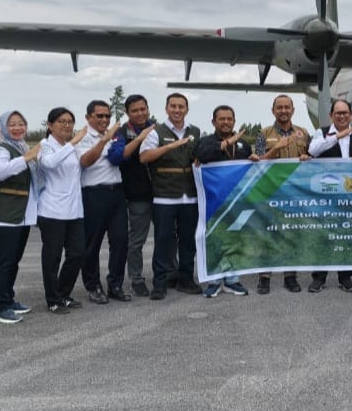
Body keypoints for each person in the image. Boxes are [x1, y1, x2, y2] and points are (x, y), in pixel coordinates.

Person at [139, 92, 202, 300]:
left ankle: (186, 279)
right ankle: (159, 283)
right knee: (163, 241)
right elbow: (144, 157)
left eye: (181, 106)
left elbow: (198, 157)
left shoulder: (195, 131)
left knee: (187, 241)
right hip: (164, 197)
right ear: (166, 109)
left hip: (189, 197)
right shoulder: (156, 132)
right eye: (173, 106)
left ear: (186, 109)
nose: (177, 110)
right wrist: (169, 146)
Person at [0, 110, 40, 324]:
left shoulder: (21, 147)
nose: (18, 128)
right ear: (3, 128)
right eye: (12, 124)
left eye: (21, 124)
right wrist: (27, 158)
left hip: (20, 216)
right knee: (3, 261)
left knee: (13, 260)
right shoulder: (1, 149)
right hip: (4, 216)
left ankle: (7, 298)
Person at [196, 104, 258, 297]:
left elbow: (248, 168)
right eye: (221, 119)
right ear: (213, 121)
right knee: (214, 239)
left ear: (234, 121)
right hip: (213, 201)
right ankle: (214, 281)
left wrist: (254, 159)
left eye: (229, 119)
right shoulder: (205, 141)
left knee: (235, 239)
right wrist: (227, 142)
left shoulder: (243, 145)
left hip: (236, 200)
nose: (225, 122)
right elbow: (203, 156)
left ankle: (232, 279)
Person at [254, 95, 310, 294]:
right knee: (267, 234)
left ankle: (290, 277)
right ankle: (264, 278)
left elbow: (312, 159)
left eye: (287, 107)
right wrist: (275, 149)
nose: (283, 111)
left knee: (291, 233)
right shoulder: (263, 133)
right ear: (273, 110)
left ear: (293, 110)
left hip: (294, 193)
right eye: (280, 107)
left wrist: (306, 158)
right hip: (270, 192)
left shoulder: (303, 133)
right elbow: (258, 161)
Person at [307, 99, 352, 293]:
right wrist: (337, 136)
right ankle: (319, 277)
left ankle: (345, 276)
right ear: (331, 115)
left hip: (349, 194)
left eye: (345, 113)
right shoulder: (322, 133)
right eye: (338, 113)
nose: (342, 116)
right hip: (326, 192)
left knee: (346, 234)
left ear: (351, 115)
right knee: (323, 234)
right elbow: (313, 150)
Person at [77, 100, 128, 304]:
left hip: (116, 192)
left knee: (121, 240)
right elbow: (86, 161)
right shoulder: (83, 137)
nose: (104, 119)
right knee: (92, 243)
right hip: (94, 193)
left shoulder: (115, 135)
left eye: (107, 116)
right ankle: (93, 285)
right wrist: (103, 140)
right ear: (88, 117)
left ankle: (115, 284)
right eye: (99, 116)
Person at [107, 94, 158, 297]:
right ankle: (136, 278)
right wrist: (139, 139)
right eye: (135, 110)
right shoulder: (121, 132)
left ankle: (169, 274)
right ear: (127, 113)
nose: (140, 113)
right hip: (137, 195)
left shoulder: (157, 128)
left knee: (168, 237)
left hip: (162, 193)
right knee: (137, 240)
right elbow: (116, 157)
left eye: (143, 109)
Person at [37, 108, 88, 314]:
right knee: (52, 257)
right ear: (49, 125)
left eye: (70, 122)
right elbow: (50, 163)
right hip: (52, 211)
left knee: (77, 253)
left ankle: (63, 292)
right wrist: (73, 143)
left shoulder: (73, 148)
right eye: (61, 122)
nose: (67, 125)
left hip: (74, 210)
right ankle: (53, 299)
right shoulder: (45, 146)